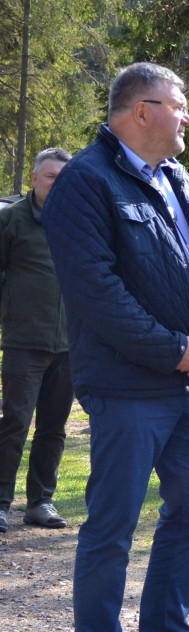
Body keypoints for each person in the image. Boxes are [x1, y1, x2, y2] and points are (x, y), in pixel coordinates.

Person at [41, 62, 189, 632]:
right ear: (142, 111)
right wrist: (174, 350)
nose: (188, 118)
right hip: (128, 388)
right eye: (179, 107)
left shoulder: (180, 178)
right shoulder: (85, 182)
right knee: (114, 523)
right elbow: (94, 290)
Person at [0, 148, 74, 534]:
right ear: (33, 178)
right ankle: (0, 502)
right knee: (14, 422)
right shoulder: (11, 221)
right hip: (23, 343)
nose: (58, 184)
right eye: (51, 177)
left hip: (69, 346)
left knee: (54, 426)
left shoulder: (81, 221)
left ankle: (40, 502)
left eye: (65, 177)